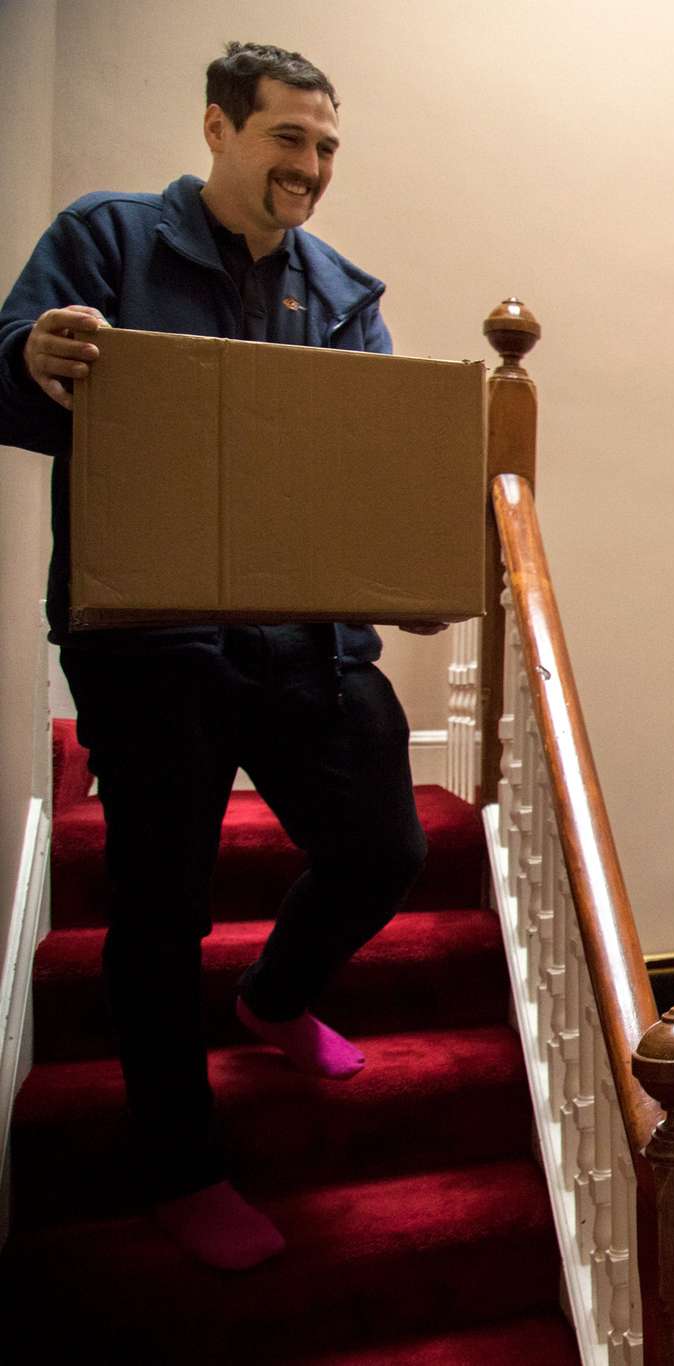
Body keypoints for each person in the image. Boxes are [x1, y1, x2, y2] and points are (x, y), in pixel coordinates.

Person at [0, 43, 436, 1271]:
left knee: (385, 846)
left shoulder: (343, 293)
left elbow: (371, 463)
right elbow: (11, 374)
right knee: (159, 910)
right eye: (288, 140)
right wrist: (29, 356)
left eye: (327, 148)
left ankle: (276, 998)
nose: (310, 168)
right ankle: (180, 1166)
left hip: (307, 636)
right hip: (151, 641)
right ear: (217, 128)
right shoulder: (107, 242)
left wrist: (406, 575)